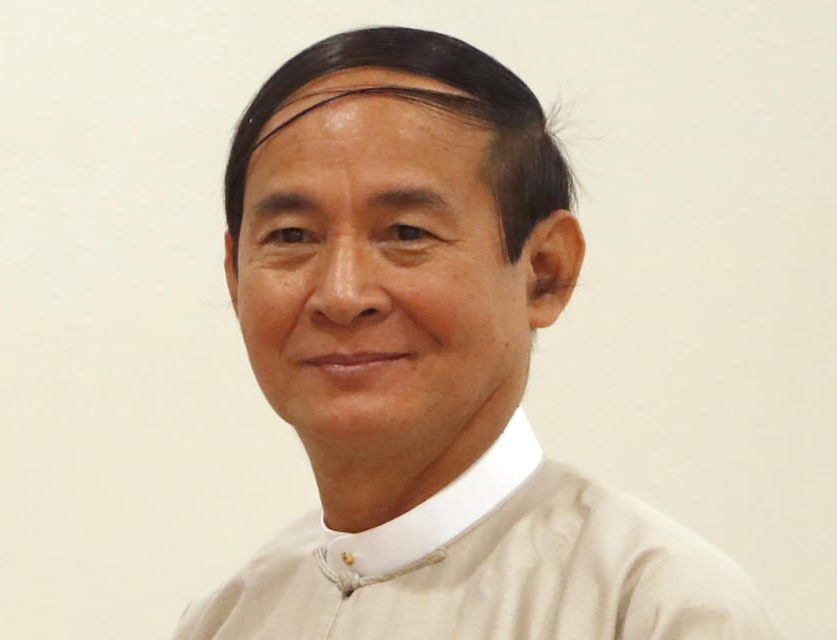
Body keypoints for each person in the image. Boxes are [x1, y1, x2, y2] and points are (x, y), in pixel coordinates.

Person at [171, 26, 781, 639]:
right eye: (292, 237)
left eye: (407, 232)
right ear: (234, 274)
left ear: (546, 272)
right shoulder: (227, 618)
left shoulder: (655, 606)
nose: (342, 295)